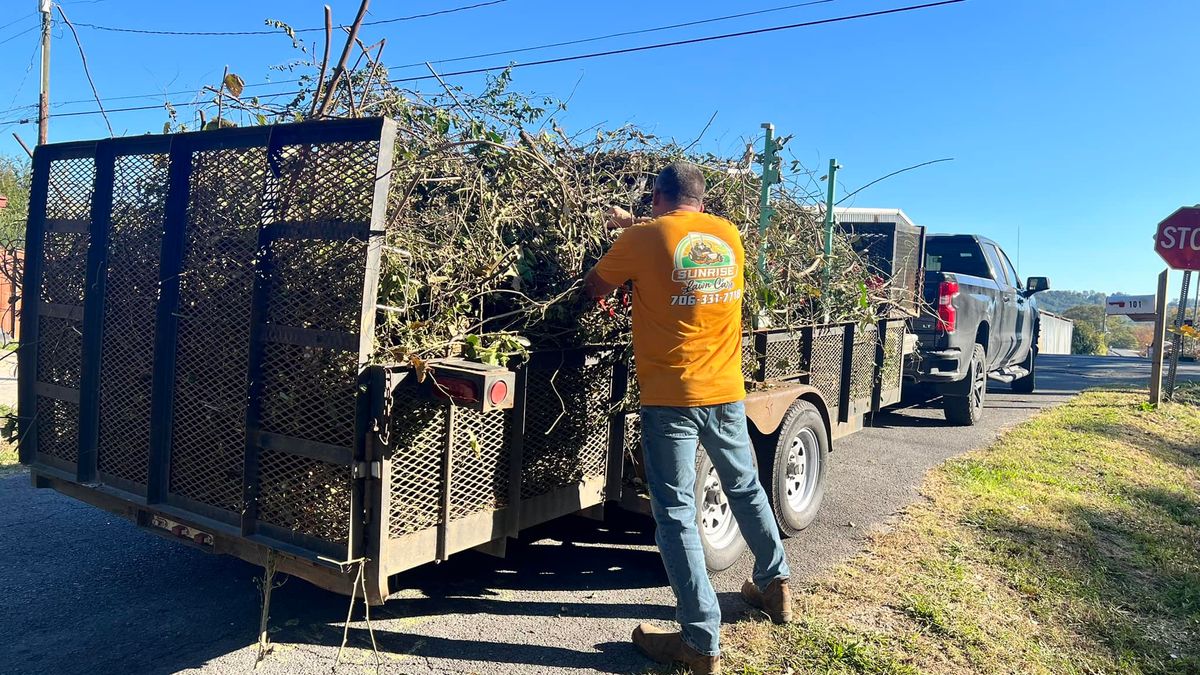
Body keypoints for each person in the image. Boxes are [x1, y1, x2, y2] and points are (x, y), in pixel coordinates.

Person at [584, 162, 792, 675]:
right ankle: (775, 584)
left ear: (657, 196)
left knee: (676, 513)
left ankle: (700, 641)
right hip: (725, 390)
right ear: (701, 198)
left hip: (671, 397)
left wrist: (624, 237)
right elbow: (676, 241)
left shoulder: (645, 237)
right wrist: (632, 224)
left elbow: (595, 287)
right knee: (745, 488)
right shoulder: (729, 235)